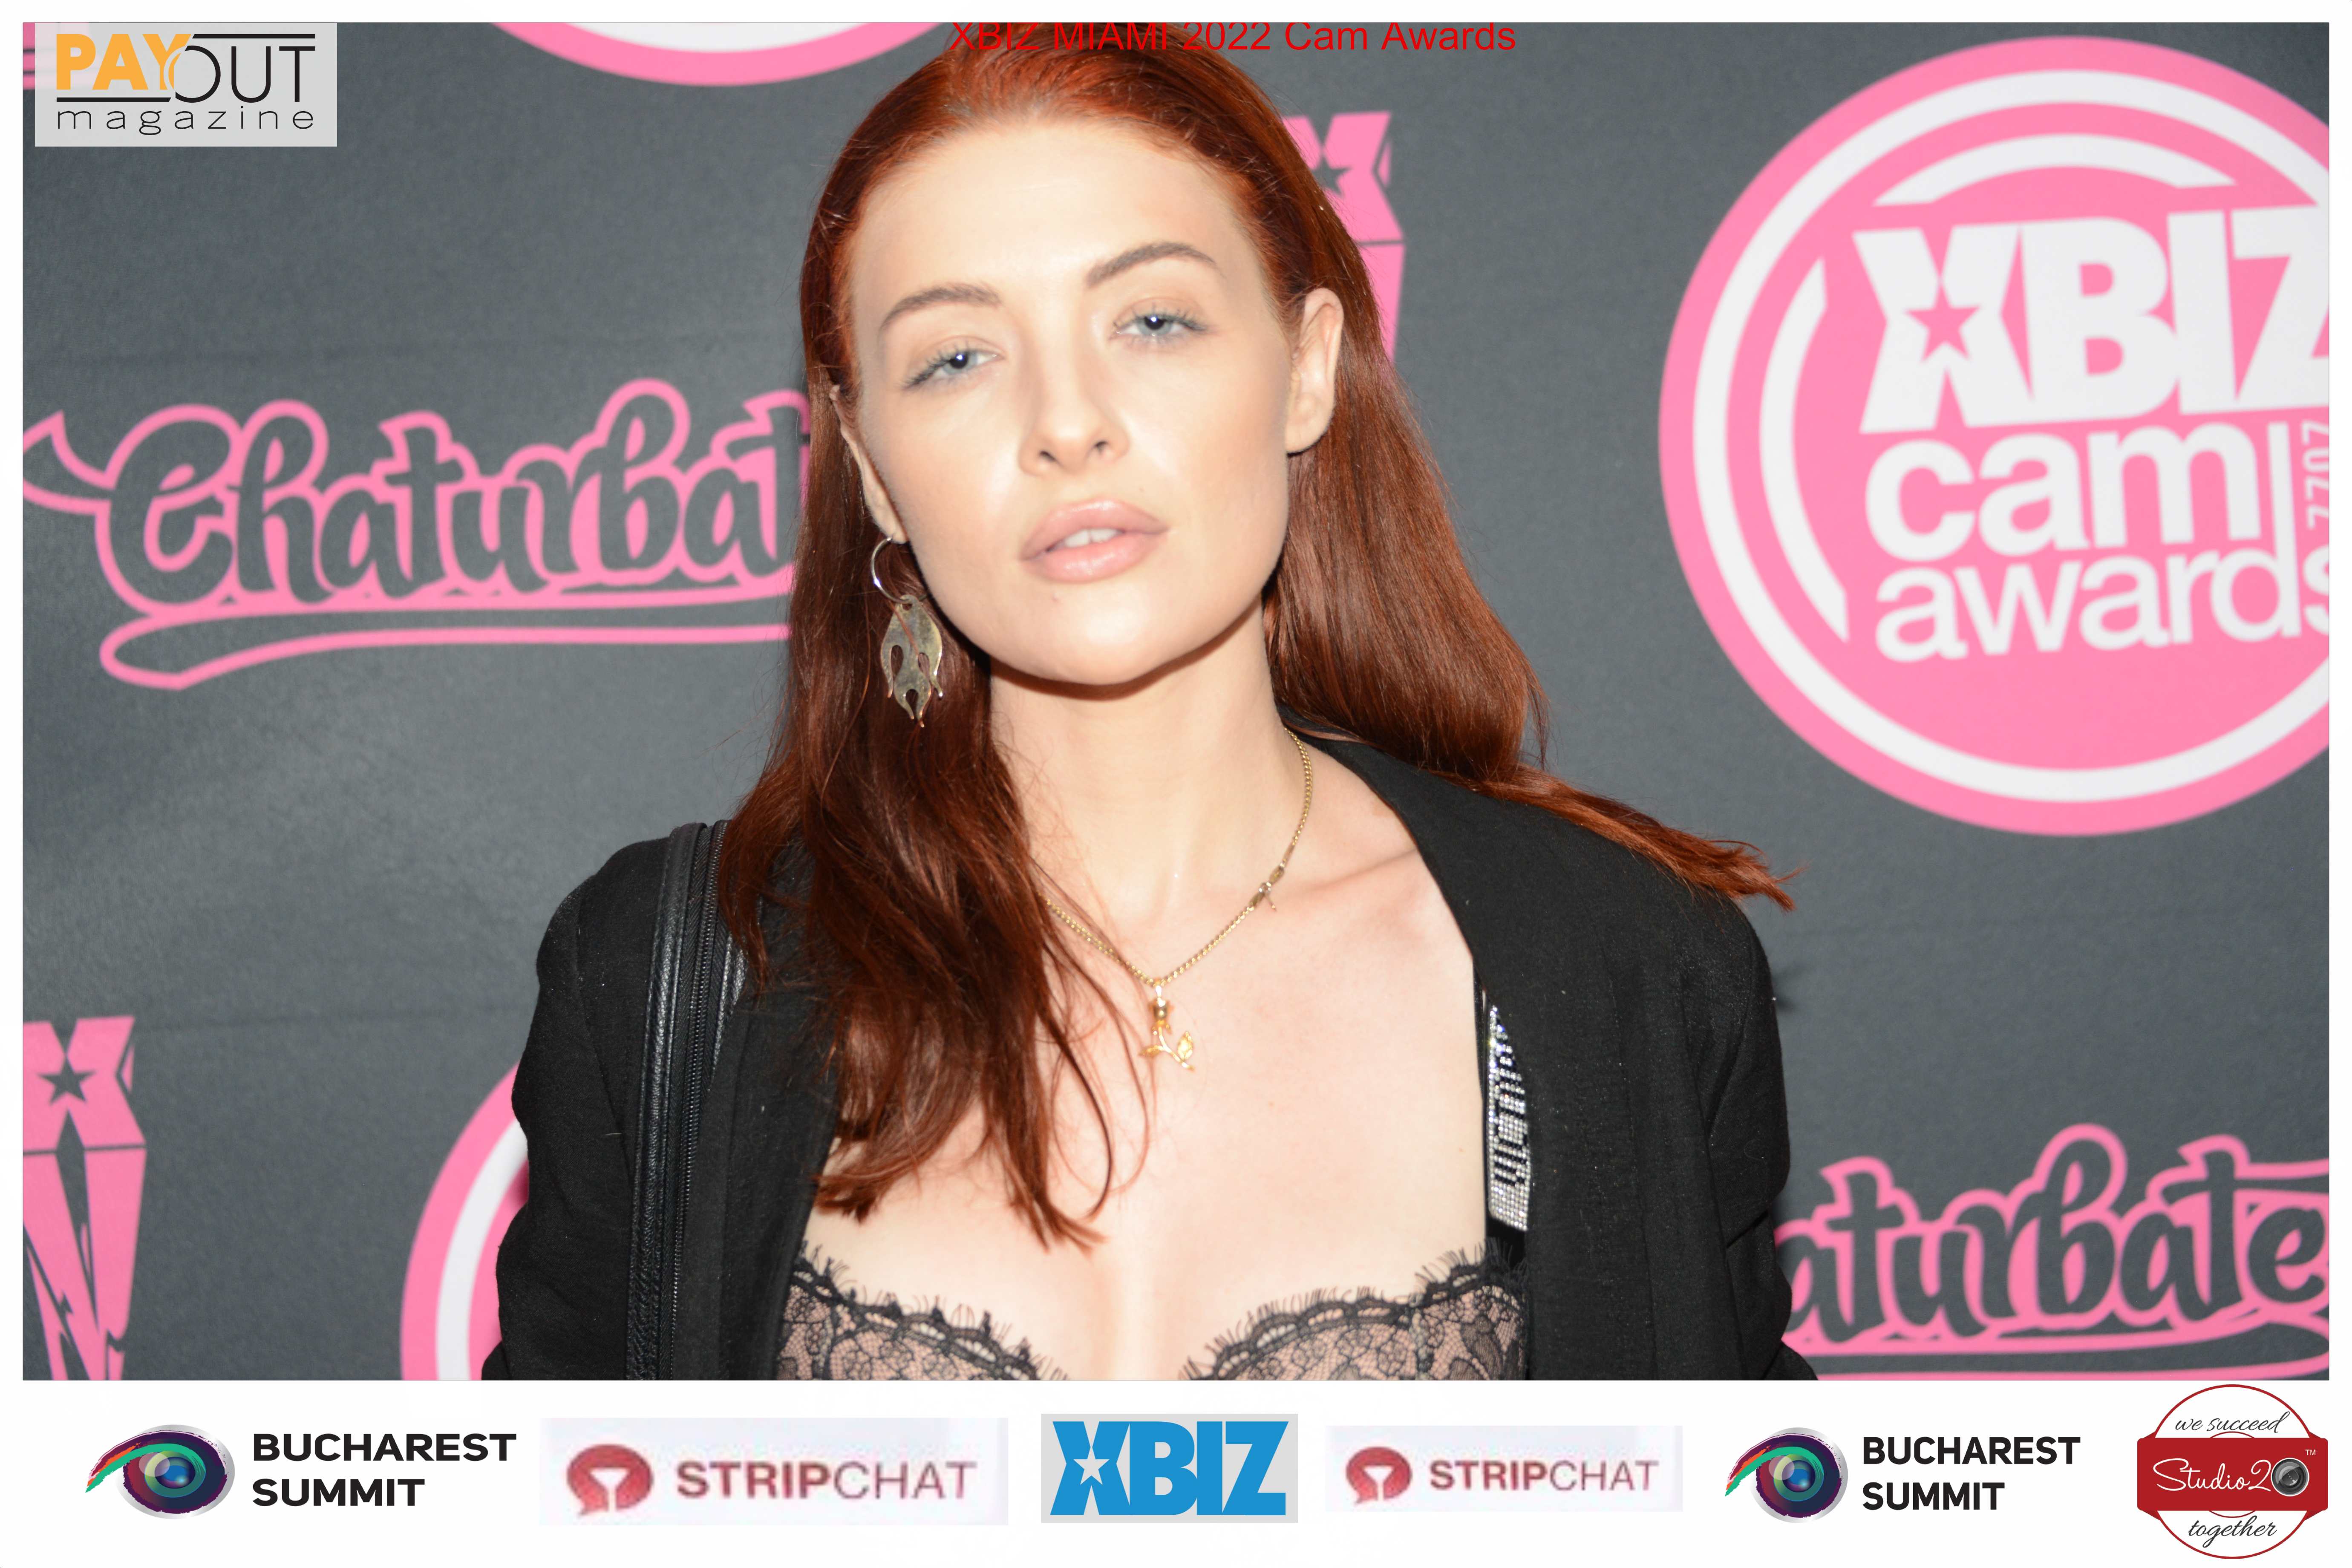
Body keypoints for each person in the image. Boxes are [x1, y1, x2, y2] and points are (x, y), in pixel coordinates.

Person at [486, 33, 1811, 1381]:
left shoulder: (1630, 968)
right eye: (956, 358)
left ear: (1306, 370)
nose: (1068, 424)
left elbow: (1751, 1478)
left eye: (1154, 321)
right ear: (871, 463)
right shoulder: (666, 978)